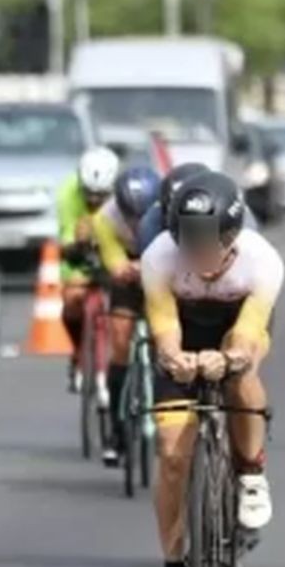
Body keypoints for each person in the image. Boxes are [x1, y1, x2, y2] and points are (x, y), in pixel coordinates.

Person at [141, 171, 283, 567]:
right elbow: (164, 328)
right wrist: (175, 358)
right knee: (171, 451)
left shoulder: (262, 262)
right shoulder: (159, 257)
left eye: (208, 244)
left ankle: (252, 473)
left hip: (236, 327)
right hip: (185, 331)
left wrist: (231, 356)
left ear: (232, 237)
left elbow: (248, 332)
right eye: (189, 242)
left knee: (241, 374)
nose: (198, 254)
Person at [92, 165, 161, 466]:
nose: (135, 222)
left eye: (141, 215)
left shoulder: (165, 215)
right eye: (129, 215)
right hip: (126, 278)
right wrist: (123, 268)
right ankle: (117, 431)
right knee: (120, 340)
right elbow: (113, 261)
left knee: (165, 342)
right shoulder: (105, 218)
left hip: (158, 273)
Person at [56, 146, 122, 391]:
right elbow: (67, 244)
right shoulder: (67, 194)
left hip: (114, 246)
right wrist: (79, 243)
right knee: (73, 298)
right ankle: (77, 351)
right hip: (79, 249)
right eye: (89, 195)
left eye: (101, 195)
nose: (94, 202)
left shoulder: (122, 196)